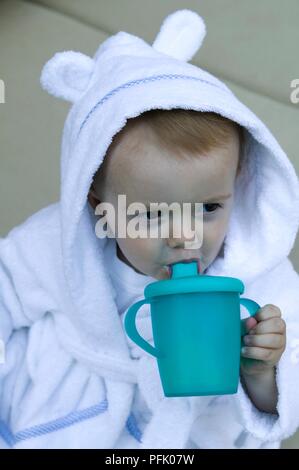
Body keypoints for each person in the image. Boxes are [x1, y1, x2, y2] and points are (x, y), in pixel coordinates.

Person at [0, 9, 298, 449]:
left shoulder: (259, 267)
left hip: (195, 425)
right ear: (98, 208)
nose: (185, 236)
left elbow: (284, 388)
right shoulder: (54, 248)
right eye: (152, 215)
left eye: (209, 207)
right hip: (77, 405)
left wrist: (261, 372)